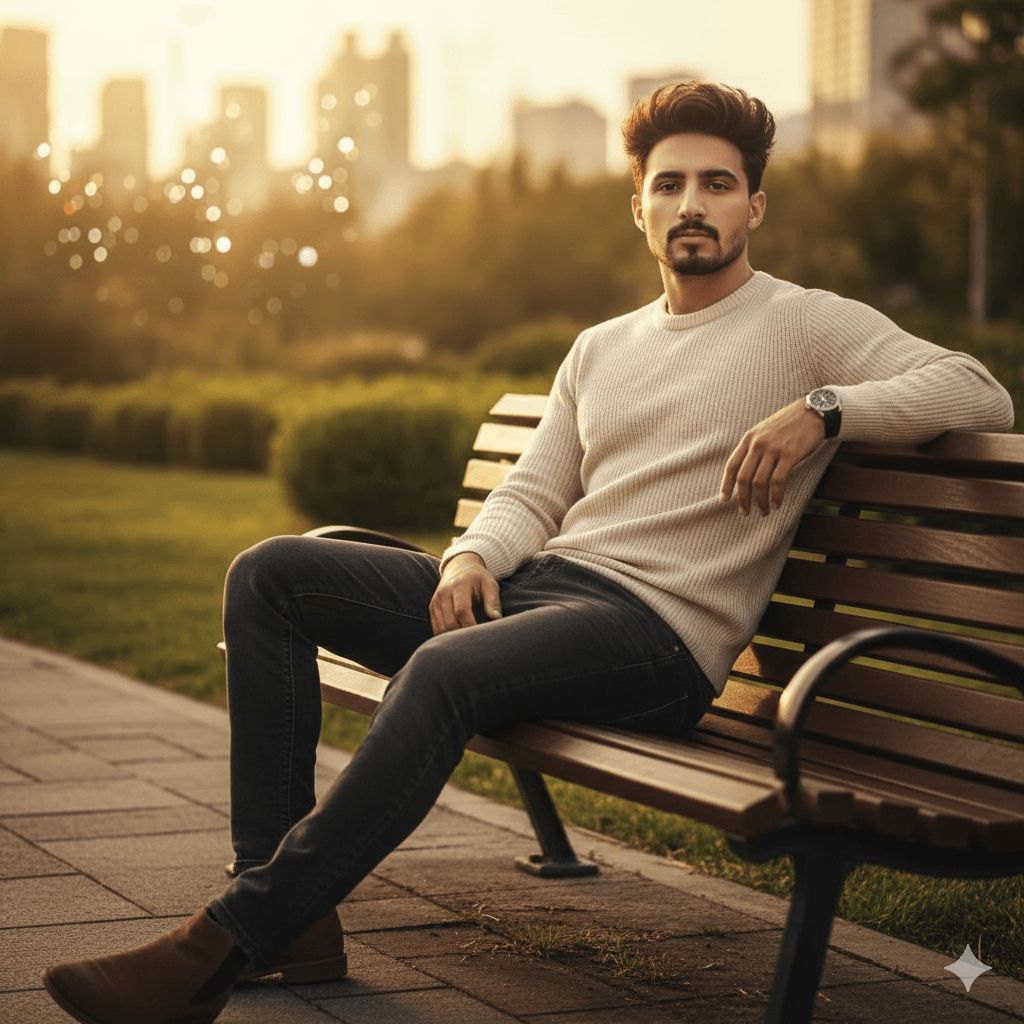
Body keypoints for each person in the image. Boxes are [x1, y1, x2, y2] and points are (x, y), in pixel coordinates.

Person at [43, 81, 1013, 1024]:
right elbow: (536, 490)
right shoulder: (600, 346)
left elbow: (976, 390)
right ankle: (288, 919)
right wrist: (469, 558)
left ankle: (220, 943)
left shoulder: (803, 324)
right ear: (636, 208)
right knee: (269, 574)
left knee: (444, 669)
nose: (691, 204)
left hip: (654, 639)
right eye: (668, 184)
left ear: (754, 204)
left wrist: (825, 409)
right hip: (547, 595)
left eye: (717, 183)